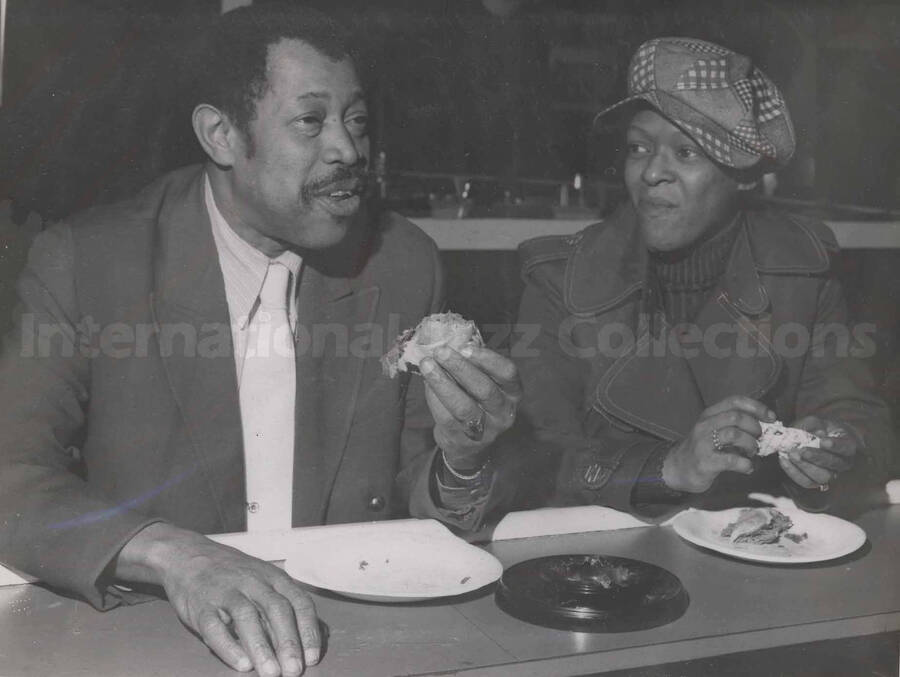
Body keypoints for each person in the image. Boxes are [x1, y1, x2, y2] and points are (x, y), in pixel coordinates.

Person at [0, 6, 521, 676]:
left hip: (351, 644)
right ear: (221, 134)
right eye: (312, 120)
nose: (348, 149)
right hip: (147, 640)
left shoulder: (403, 265)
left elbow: (420, 515)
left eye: (356, 119)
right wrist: (172, 553)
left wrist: (464, 461)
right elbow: (10, 476)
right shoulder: (91, 263)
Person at [515, 37, 893, 517]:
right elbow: (532, 461)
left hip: (758, 555)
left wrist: (838, 446)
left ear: (743, 175)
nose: (652, 172)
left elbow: (863, 421)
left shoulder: (803, 272)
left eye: (686, 153)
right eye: (638, 147)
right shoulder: (560, 280)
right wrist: (667, 468)